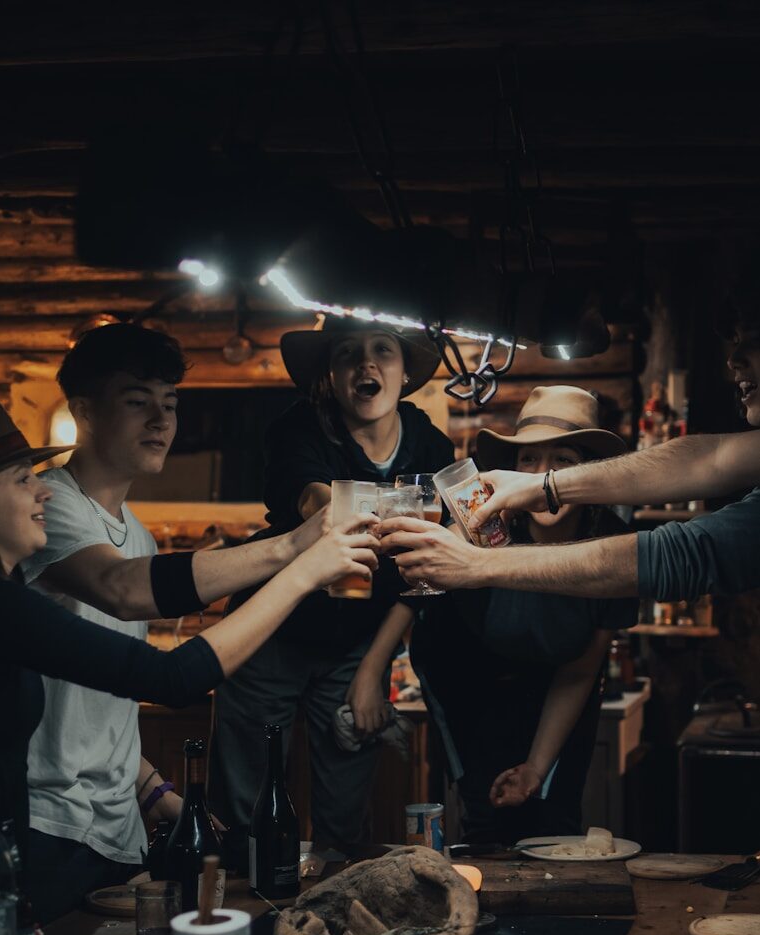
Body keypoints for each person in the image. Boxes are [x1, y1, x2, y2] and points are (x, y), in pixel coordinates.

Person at [0, 388, 377, 935]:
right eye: (23, 480)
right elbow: (173, 678)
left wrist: (157, 793)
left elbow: (153, 616)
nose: (43, 489)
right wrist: (301, 572)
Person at [20, 323, 335, 922]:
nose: (162, 422)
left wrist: (153, 790)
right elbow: (124, 589)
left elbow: (99, 701)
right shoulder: (48, 504)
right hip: (51, 823)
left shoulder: (133, 531)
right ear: (82, 410)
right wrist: (293, 548)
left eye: (170, 404)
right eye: (138, 402)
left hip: (117, 829)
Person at [207, 316, 454, 860]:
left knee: (344, 816)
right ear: (331, 375)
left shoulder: (431, 447)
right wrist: (391, 511)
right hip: (271, 633)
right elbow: (315, 501)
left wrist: (374, 668)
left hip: (353, 644)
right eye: (348, 353)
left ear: (404, 369)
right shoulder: (298, 427)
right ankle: (240, 920)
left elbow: (424, 574)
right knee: (247, 805)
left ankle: (336, 924)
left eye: (382, 350)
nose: (366, 364)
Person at [380, 319, 760, 602]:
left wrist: (475, 566)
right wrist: (544, 488)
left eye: (753, 336)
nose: (733, 360)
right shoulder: (497, 527)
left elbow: (680, 555)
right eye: (529, 458)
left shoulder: (602, 528)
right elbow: (710, 460)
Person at [410, 387, 638, 843]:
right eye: (529, 461)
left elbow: (581, 669)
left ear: (591, 472)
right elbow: (421, 588)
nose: (541, 477)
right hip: (472, 690)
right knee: (486, 819)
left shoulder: (616, 545)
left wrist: (536, 766)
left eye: (563, 460)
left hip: (563, 684)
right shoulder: (484, 528)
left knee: (555, 822)